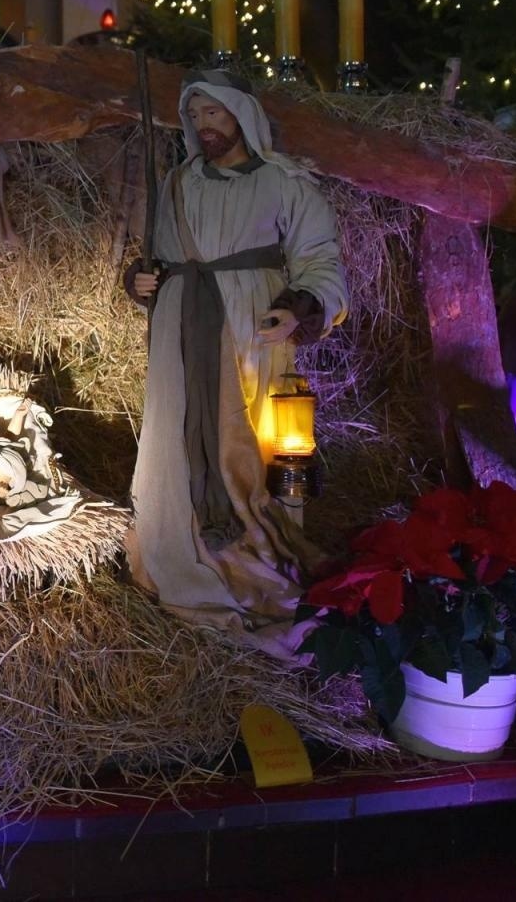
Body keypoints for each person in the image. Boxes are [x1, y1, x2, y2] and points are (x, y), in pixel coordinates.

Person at [123, 69, 349, 655]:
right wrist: (142, 279)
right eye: (195, 117)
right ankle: (182, 546)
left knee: (253, 437)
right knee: (176, 439)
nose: (204, 127)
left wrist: (297, 308)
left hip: (251, 323)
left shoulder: (283, 183)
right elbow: (157, 261)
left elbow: (319, 260)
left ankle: (254, 552)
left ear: (242, 116)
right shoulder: (176, 183)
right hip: (180, 326)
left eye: (214, 114)